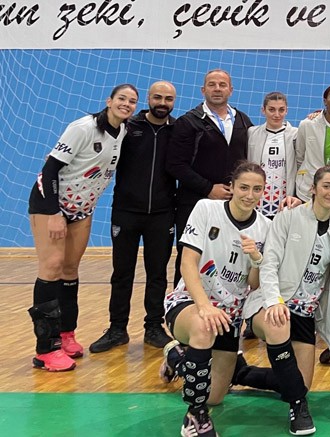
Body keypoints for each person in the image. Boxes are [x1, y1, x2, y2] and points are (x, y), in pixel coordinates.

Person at [227, 166, 330, 435]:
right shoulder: (287, 218)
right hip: (272, 304)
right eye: (326, 186)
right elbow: (269, 263)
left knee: (301, 382)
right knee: (280, 333)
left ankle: (239, 373)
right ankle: (298, 407)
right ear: (313, 188)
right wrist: (274, 301)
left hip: (305, 314)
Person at [27, 83, 137, 371]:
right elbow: (50, 169)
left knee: (70, 270)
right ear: (109, 101)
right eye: (122, 98)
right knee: (51, 267)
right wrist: (54, 213)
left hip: (82, 209)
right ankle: (45, 350)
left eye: (132, 101)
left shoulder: (123, 131)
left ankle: (66, 335)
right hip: (50, 205)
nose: (126, 104)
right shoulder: (83, 128)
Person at [159, 162, 271, 436]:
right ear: (232, 187)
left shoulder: (265, 227)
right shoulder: (206, 209)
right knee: (203, 327)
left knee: (215, 396)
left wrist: (256, 258)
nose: (249, 195)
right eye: (244, 187)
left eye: (257, 189)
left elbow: (254, 284)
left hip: (229, 316)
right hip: (191, 303)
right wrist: (204, 306)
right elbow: (187, 263)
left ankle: (176, 357)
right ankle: (195, 416)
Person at [90, 82, 177, 354]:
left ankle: (154, 327)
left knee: (157, 274)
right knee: (122, 273)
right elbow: (100, 145)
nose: (162, 103)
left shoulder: (177, 130)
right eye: (157, 97)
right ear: (148, 99)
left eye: (168, 99)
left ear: (173, 102)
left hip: (162, 214)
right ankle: (117, 329)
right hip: (126, 212)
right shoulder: (129, 127)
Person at [168, 69, 253, 286]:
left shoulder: (244, 121)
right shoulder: (188, 122)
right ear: (203, 90)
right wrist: (208, 188)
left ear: (231, 90)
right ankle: (184, 304)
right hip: (194, 204)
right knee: (190, 258)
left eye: (222, 85)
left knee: (228, 259)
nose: (217, 89)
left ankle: (227, 305)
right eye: (212, 84)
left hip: (232, 206)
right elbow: (175, 165)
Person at [247, 91, 298, 219]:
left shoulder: (296, 134)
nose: (276, 114)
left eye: (281, 110)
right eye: (271, 110)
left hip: (284, 201)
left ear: (286, 111)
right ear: (263, 110)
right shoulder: (252, 133)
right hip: (257, 200)